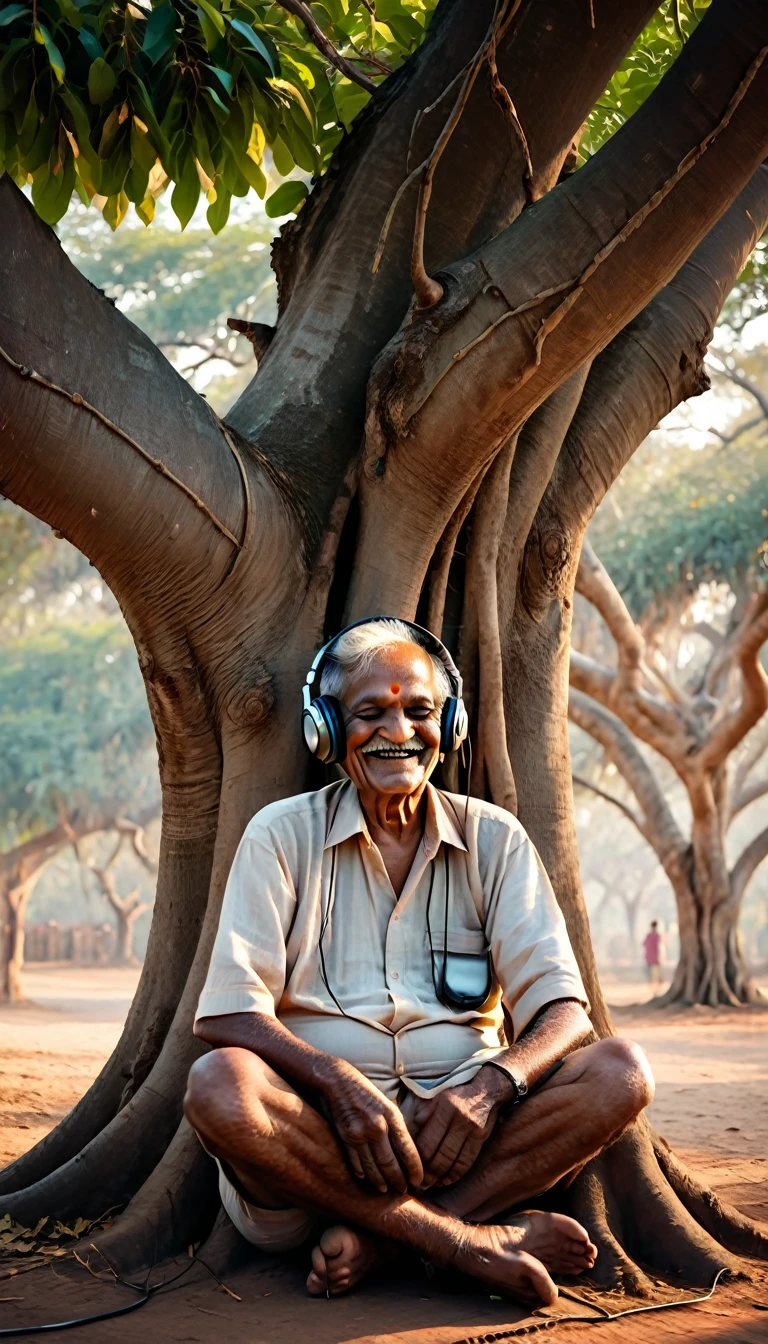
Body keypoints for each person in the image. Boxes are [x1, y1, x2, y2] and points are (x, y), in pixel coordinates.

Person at [184, 618, 654, 1306]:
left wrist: (490, 1088)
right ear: (326, 729)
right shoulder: (280, 836)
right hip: (318, 1148)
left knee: (621, 1072)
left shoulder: (494, 839)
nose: (397, 730)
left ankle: (384, 1240)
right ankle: (462, 1245)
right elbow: (229, 1012)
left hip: (470, 1146)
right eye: (370, 712)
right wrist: (337, 1084)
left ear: (451, 725)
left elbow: (563, 1013)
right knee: (218, 1086)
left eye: (419, 710)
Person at [643, 921, 663, 990]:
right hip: (655, 956)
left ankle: (652, 985)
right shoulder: (657, 935)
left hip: (649, 956)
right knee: (657, 972)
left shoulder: (649, 935)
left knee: (650, 972)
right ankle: (656, 986)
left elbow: (644, 944)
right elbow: (659, 946)